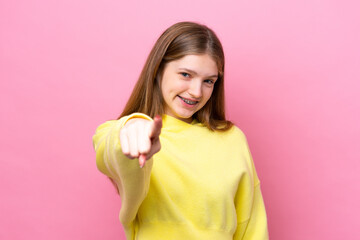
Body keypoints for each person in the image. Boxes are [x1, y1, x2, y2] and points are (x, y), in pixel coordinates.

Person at [92, 21, 269, 239]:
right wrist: (133, 126)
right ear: (158, 70)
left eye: (208, 81)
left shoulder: (232, 139)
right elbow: (111, 148)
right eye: (185, 74)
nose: (196, 92)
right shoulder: (126, 131)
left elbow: (252, 228)